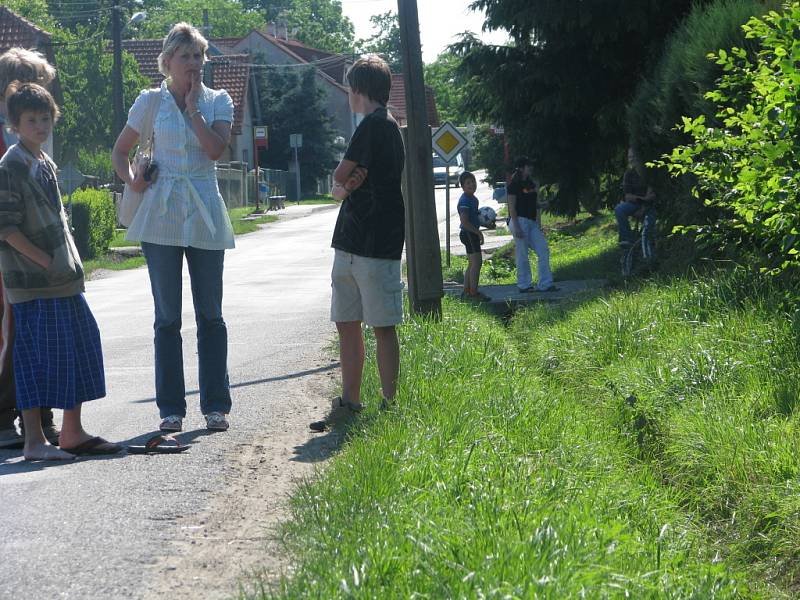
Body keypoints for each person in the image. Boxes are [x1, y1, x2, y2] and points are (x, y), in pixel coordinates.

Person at [112, 23, 235, 433]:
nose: (194, 64)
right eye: (186, 57)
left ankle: (215, 404)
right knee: (167, 316)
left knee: (210, 314)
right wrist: (133, 181)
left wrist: (192, 109)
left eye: (199, 56)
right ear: (168, 63)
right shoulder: (149, 102)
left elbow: (216, 150)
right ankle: (171, 409)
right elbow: (120, 151)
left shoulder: (218, 100)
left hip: (203, 214)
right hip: (161, 216)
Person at [0, 82, 121, 460]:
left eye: (45, 118)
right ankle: (35, 441)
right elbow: (6, 227)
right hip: (34, 284)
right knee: (35, 358)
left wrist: (62, 266)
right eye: (31, 120)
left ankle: (71, 432)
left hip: (63, 282)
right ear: (14, 126)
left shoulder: (45, 163)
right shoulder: (11, 167)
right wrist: (44, 261)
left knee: (81, 345)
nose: (41, 126)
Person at [313, 54, 405, 431]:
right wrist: (344, 185)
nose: (348, 95)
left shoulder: (375, 125)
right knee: (348, 322)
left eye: (350, 88)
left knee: (380, 325)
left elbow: (339, 175)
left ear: (359, 91)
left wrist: (342, 184)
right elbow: (345, 181)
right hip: (354, 240)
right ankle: (354, 402)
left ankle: (385, 404)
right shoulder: (384, 125)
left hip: (373, 242)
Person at [0, 48, 59, 449]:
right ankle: (9, 416)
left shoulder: (31, 134)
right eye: (36, 81)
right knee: (13, 332)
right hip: (12, 250)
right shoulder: (8, 141)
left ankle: (39, 415)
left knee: (38, 331)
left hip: (35, 246)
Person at [507, 156, 558, 293]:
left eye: (531, 165)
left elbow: (532, 203)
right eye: (528, 166)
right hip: (519, 221)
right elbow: (512, 207)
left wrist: (542, 204)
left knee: (543, 249)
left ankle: (545, 284)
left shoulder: (531, 183)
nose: (531, 168)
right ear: (521, 168)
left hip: (531, 221)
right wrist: (516, 226)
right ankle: (524, 285)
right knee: (522, 254)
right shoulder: (514, 185)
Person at [457, 171, 489, 302]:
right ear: (463, 186)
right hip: (468, 233)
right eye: (468, 183)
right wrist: (478, 232)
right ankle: (473, 293)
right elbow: (464, 222)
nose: (471, 185)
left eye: (473, 182)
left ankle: (466, 291)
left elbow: (474, 218)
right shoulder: (464, 200)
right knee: (477, 263)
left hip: (471, 233)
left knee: (472, 264)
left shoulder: (473, 199)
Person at [615, 147, 656, 248]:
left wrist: (643, 203)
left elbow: (653, 195)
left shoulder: (648, 172)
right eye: (629, 157)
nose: (631, 159)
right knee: (619, 209)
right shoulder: (629, 174)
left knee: (650, 226)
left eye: (633, 156)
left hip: (650, 206)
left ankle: (650, 245)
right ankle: (627, 239)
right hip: (634, 204)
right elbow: (628, 196)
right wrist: (643, 198)